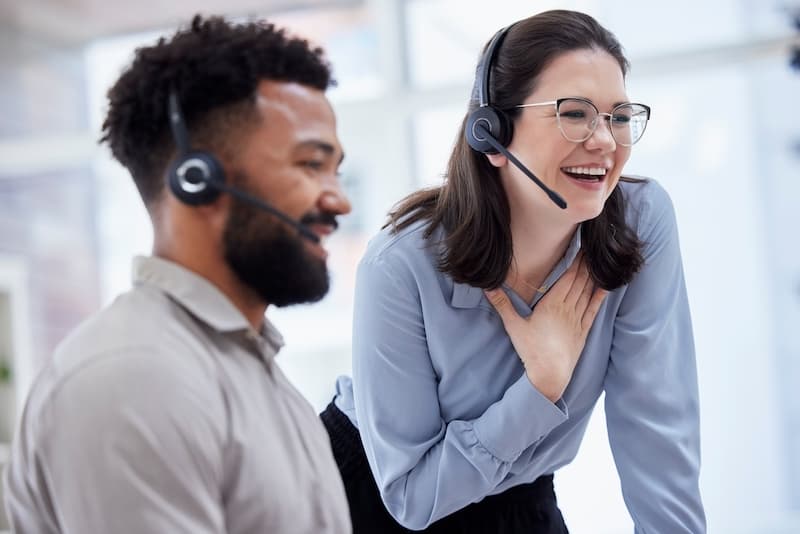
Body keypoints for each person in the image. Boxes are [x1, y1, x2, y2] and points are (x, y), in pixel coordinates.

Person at [321, 9, 705, 534]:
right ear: (493, 133)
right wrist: (540, 387)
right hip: (374, 496)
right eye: (575, 114)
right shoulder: (400, 264)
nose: (605, 141)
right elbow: (411, 498)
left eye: (618, 116)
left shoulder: (641, 220)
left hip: (518, 489)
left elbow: (658, 424)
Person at [4, 15, 352, 534]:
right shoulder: (135, 377)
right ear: (197, 180)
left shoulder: (251, 371)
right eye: (310, 165)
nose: (340, 201)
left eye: (335, 170)